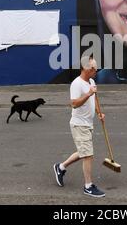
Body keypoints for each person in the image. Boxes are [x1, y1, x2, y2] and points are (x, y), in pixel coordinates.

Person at [53, 56, 106, 198]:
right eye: (94, 68)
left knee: (83, 151)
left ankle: (61, 167)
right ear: (85, 69)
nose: (96, 70)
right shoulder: (76, 84)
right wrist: (89, 93)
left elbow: (93, 99)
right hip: (79, 124)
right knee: (88, 155)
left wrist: (99, 112)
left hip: (88, 123)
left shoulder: (91, 81)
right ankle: (88, 186)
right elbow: (74, 103)